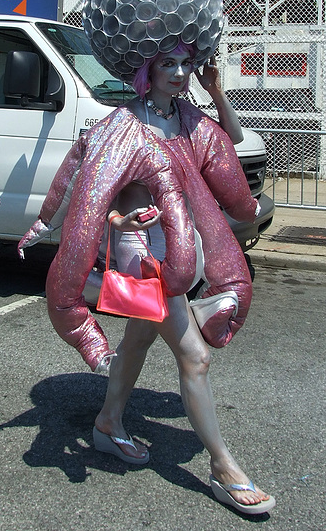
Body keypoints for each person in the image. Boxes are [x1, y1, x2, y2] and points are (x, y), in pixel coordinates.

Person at [88, 45, 275, 515]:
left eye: (185, 63)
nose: (179, 73)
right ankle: (223, 467)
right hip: (147, 261)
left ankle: (108, 423)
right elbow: (91, 196)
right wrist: (118, 221)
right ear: (145, 68)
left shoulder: (189, 115)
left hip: (181, 249)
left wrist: (216, 92)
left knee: (137, 343)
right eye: (166, 63)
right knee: (195, 357)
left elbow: (232, 145)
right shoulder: (125, 122)